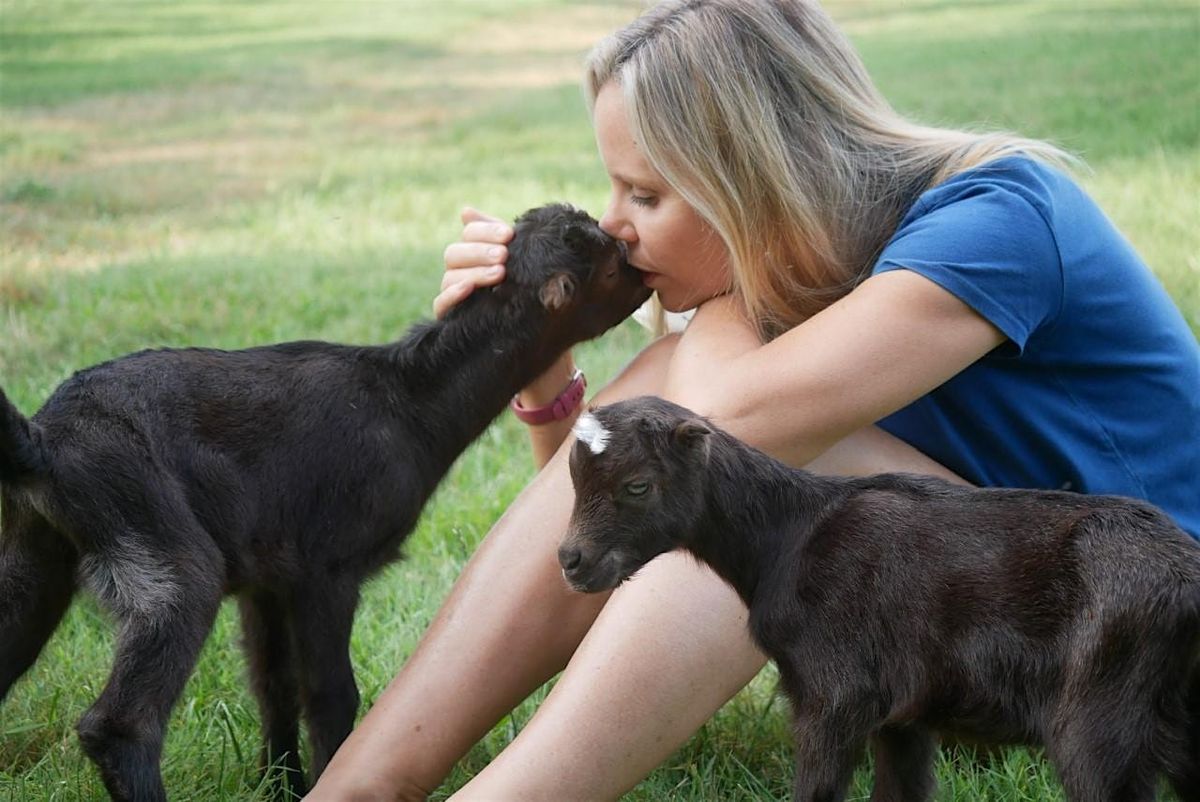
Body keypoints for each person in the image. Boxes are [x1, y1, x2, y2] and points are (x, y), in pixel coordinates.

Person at [308, 1, 1200, 798]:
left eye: (645, 193)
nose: (615, 225)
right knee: (682, 414)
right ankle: (360, 784)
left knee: (740, 465)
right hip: (991, 634)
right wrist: (543, 368)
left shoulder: (999, 219)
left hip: (1131, 634)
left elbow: (725, 429)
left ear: (752, 177)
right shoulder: (782, 300)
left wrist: (725, 301)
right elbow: (613, 541)